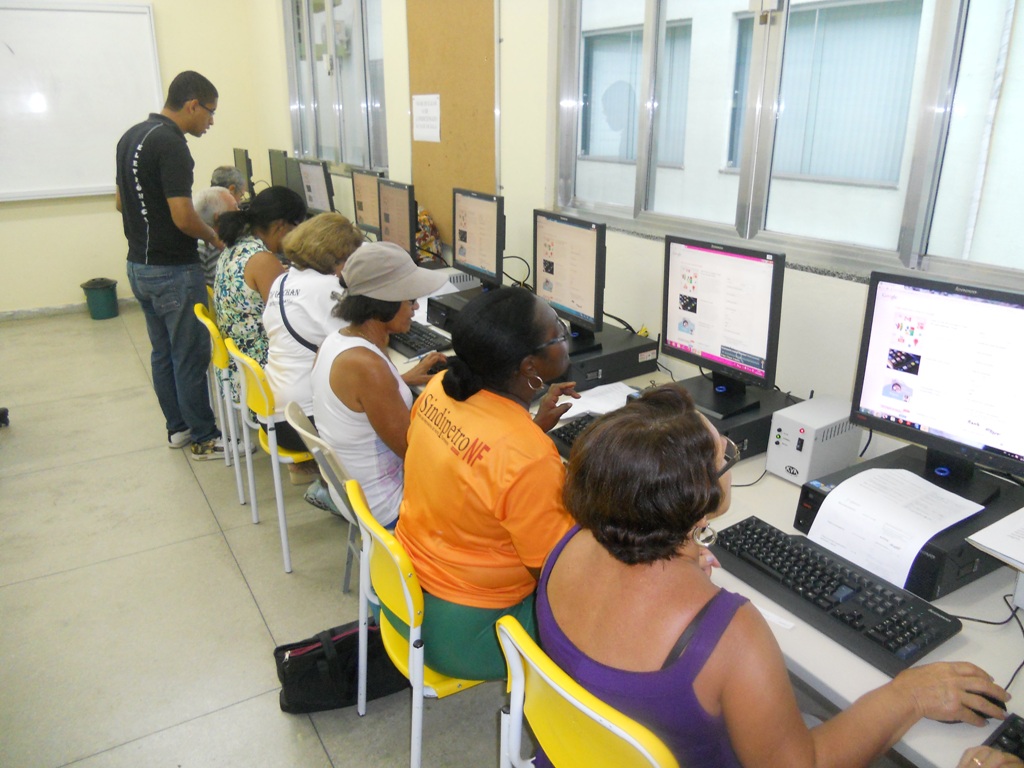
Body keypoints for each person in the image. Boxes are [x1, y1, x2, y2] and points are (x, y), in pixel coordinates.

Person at [536, 383, 1013, 768]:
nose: (730, 459)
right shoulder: (727, 633)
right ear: (697, 502)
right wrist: (908, 695)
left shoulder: (569, 543)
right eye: (726, 456)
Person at [395, 286, 579, 682]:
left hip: (404, 597)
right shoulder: (528, 458)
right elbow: (554, 576)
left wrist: (529, 430)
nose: (566, 338)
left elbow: (474, 467)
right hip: (468, 634)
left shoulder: (439, 389)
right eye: (559, 333)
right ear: (529, 367)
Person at [115, 70, 226, 460]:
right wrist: (214, 237)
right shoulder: (173, 145)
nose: (211, 121)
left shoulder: (131, 137)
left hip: (139, 265)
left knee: (163, 352)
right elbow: (182, 216)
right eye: (210, 112)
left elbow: (120, 203)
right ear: (192, 105)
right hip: (173, 270)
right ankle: (205, 437)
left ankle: (178, 429)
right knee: (190, 354)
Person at [310, 242, 448, 526]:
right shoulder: (368, 368)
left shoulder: (336, 341)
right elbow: (413, 453)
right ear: (384, 303)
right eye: (410, 300)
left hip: (354, 494)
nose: (416, 307)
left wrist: (402, 380)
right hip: (386, 508)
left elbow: (358, 400)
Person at [262, 213, 362, 500]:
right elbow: (357, 347)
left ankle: (329, 486)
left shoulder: (283, 281)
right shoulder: (325, 288)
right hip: (305, 424)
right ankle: (344, 497)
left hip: (277, 416)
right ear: (335, 257)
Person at [213, 186, 306, 368]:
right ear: (280, 226)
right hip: (260, 368)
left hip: (239, 368)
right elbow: (289, 321)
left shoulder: (236, 246)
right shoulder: (263, 260)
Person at [193, 186, 238, 286]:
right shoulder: (208, 247)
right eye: (235, 208)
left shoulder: (201, 240)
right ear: (218, 218)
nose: (240, 212)